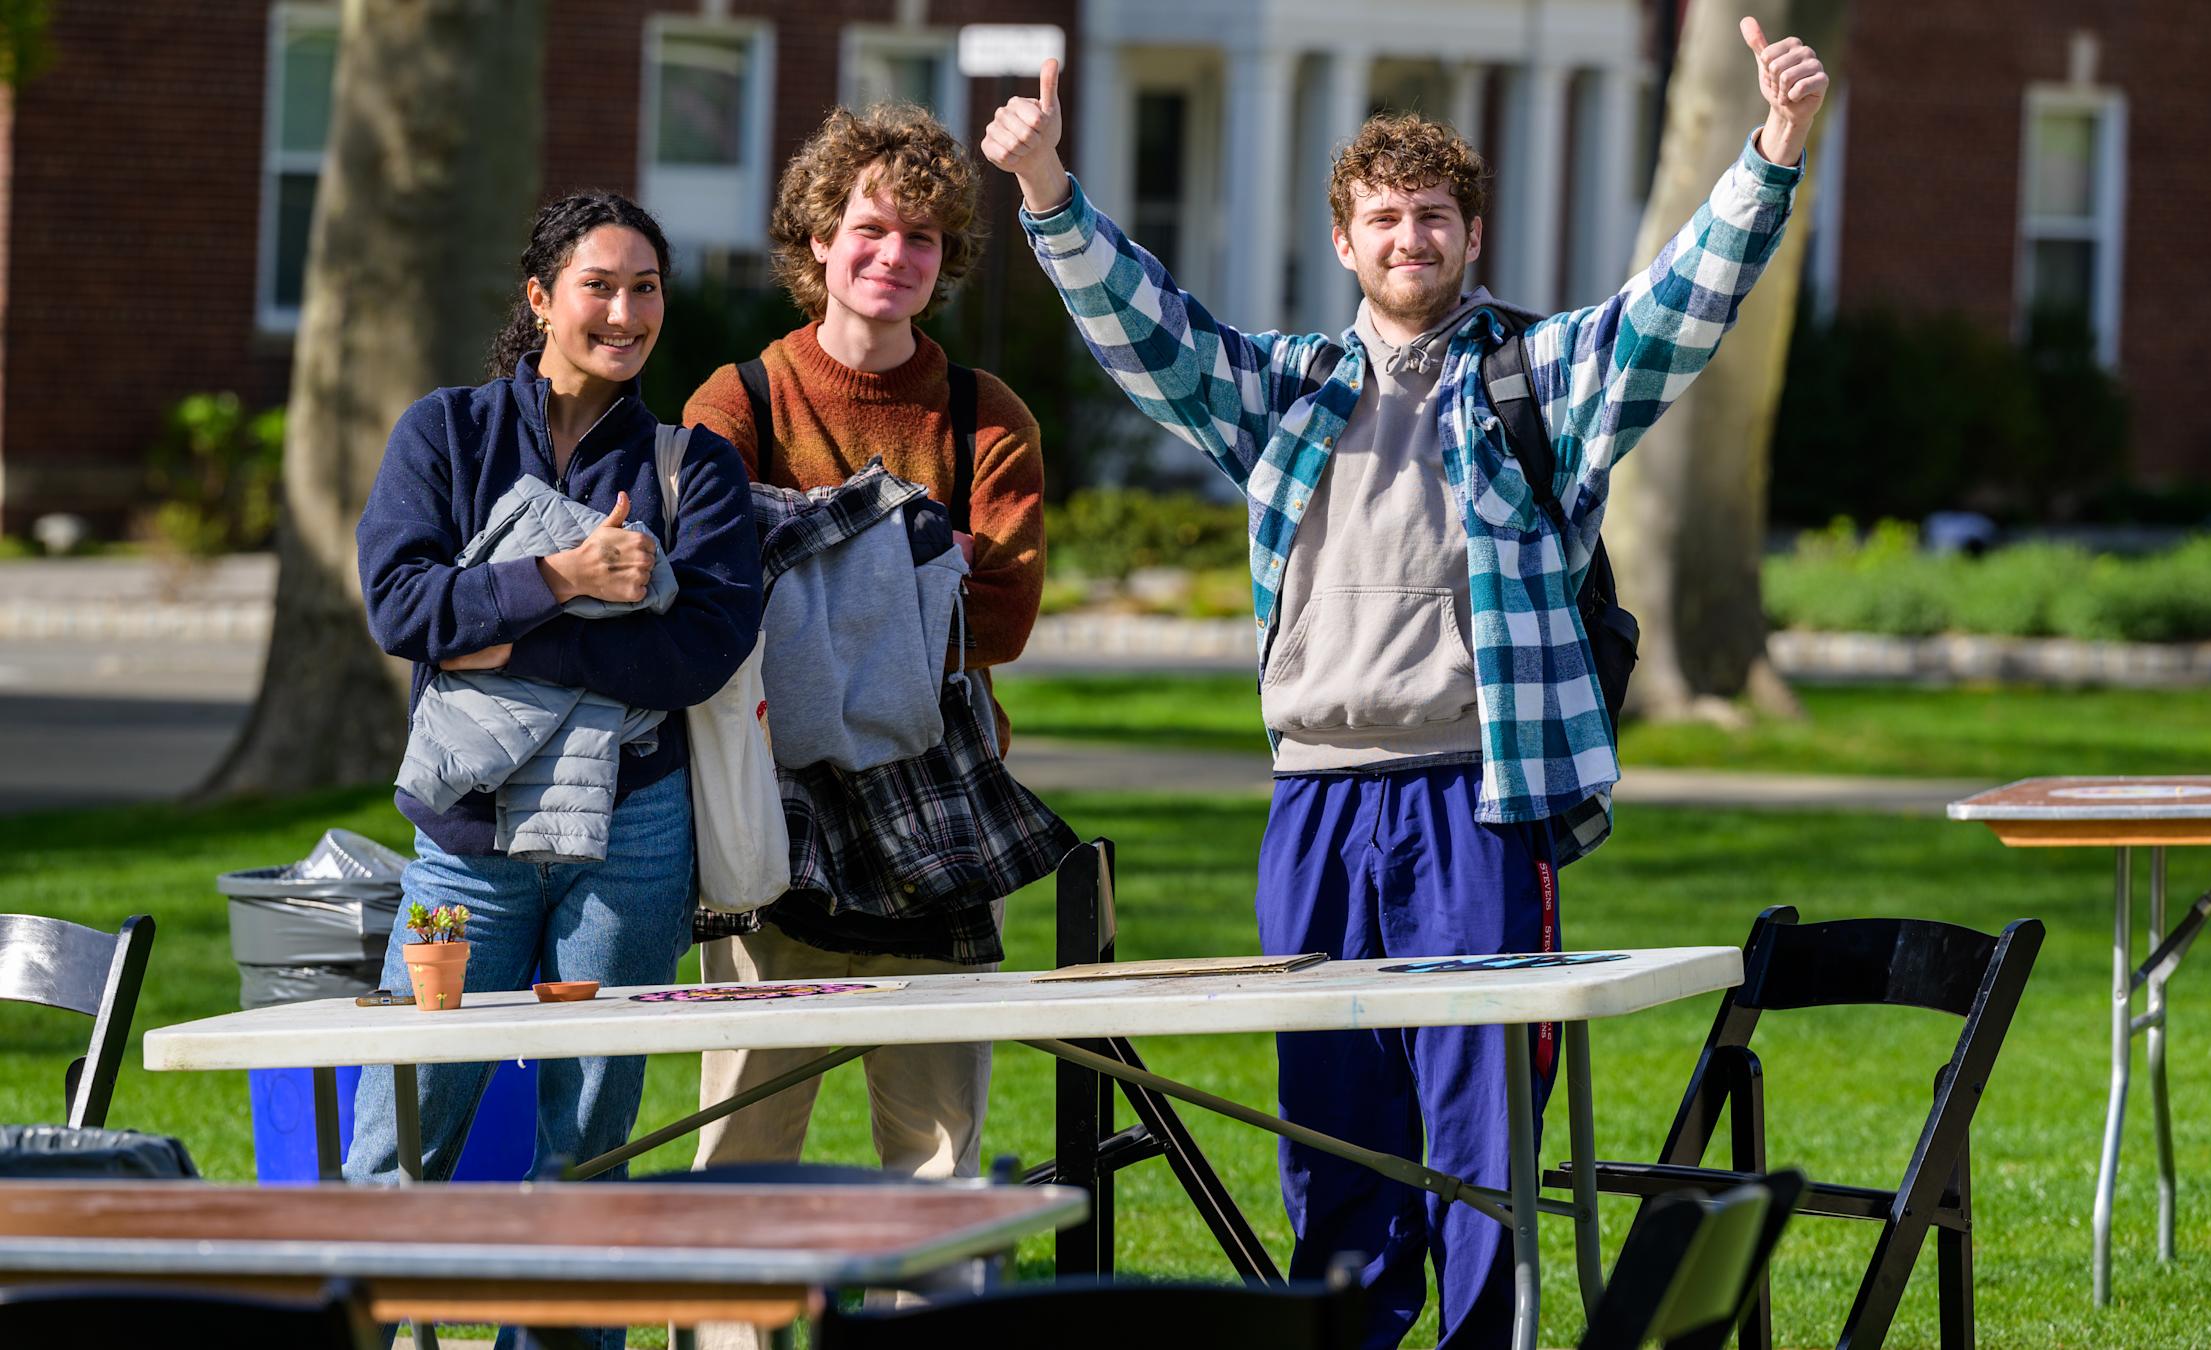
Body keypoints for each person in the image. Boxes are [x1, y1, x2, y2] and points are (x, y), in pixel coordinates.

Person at [985, 20, 1827, 1349]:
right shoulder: (1291, 392)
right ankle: (1347, 1337)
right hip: (1312, 803)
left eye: (1433, 217)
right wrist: (1047, 191)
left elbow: (1677, 307)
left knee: (1479, 1127)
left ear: (1469, 235)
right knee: (1329, 1125)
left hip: (1474, 805)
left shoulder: (1536, 381)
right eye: (1383, 219)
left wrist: (1771, 152)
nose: (1409, 240)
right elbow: (1153, 340)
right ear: (1345, 242)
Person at [348, 190, 764, 1350]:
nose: (626, 312)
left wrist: (506, 627)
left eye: (646, 288)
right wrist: (572, 576)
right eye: (600, 285)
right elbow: (400, 603)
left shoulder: (698, 469)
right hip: (461, 848)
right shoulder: (445, 433)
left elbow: (699, 650)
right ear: (541, 299)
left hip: (630, 842)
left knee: (592, 1153)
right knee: (401, 1135)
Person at [678, 99, 1049, 1287]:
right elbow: (712, 594)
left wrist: (815, 564)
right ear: (816, 238)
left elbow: (1000, 617)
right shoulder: (737, 402)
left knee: (938, 1165)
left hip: (942, 817)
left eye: (925, 238)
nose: (895, 257)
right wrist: (905, 559)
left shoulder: (987, 415)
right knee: (741, 1156)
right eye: (872, 229)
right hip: (764, 813)